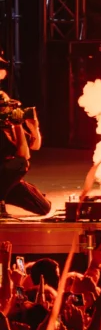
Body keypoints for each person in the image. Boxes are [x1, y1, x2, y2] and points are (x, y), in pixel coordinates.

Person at [0, 48, 49, 217]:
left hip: (4, 179)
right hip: (4, 173)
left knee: (44, 207)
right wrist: (18, 126)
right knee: (19, 164)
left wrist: (33, 126)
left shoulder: (9, 125)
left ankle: (4, 195)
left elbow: (34, 146)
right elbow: (24, 157)